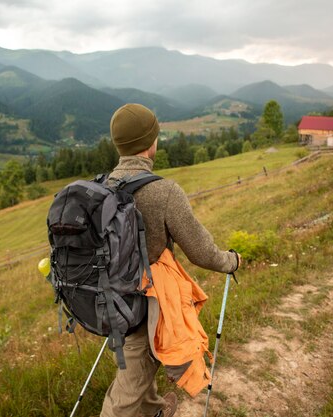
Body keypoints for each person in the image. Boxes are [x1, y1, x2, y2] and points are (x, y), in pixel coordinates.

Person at [100, 103, 241, 417]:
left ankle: (153, 411)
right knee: (128, 388)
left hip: (107, 299)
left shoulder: (101, 188)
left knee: (135, 367)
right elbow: (201, 251)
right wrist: (230, 261)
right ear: (151, 143)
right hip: (145, 306)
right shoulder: (163, 192)